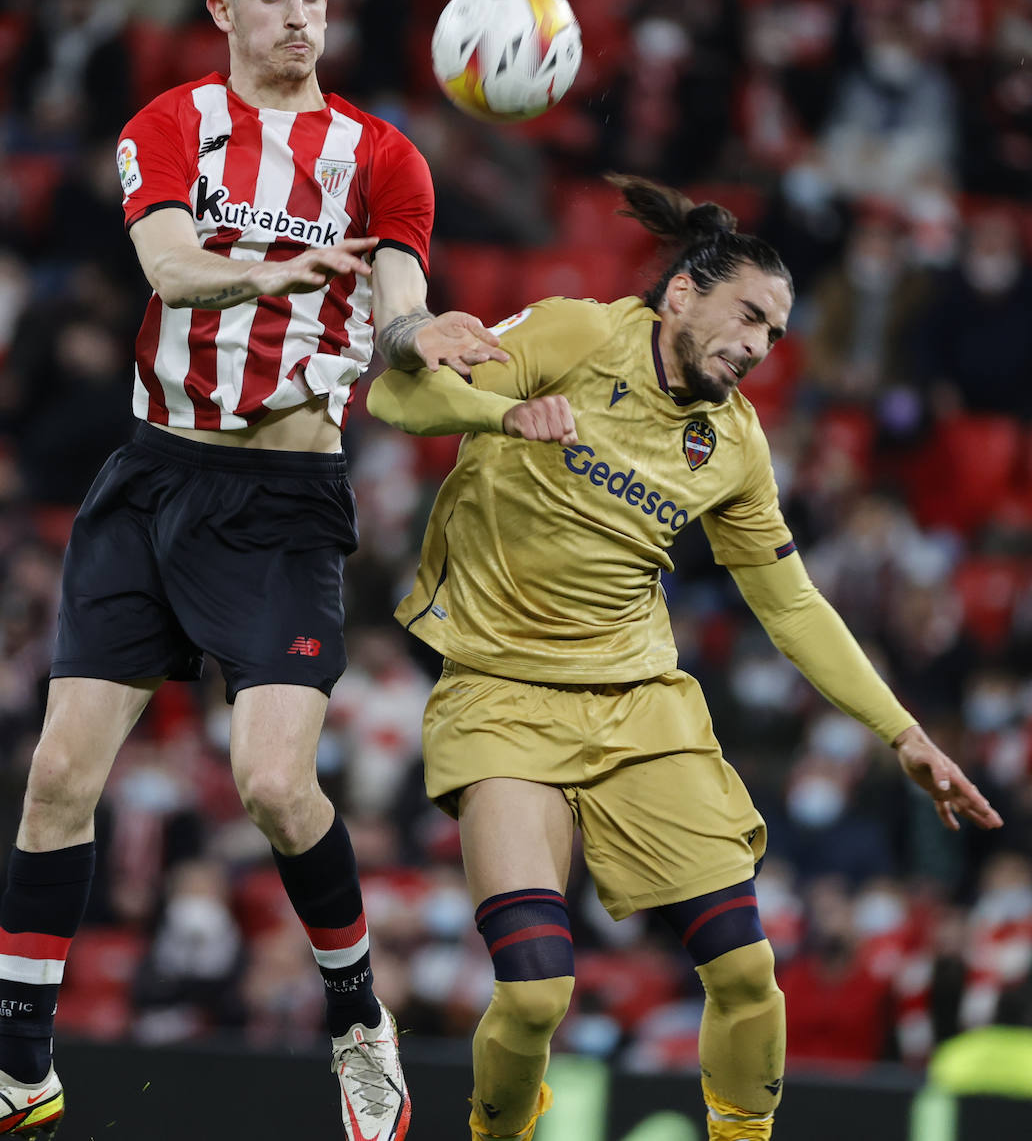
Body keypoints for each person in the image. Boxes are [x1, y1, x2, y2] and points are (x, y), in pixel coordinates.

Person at [0, 0, 507, 1141]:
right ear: (225, 9)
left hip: (283, 500)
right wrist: (271, 274)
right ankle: (21, 1063)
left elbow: (393, 314)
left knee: (276, 786)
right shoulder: (168, 124)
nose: (300, 14)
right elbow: (169, 270)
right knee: (59, 775)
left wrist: (425, 341)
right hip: (153, 477)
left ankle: (357, 1023)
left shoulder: (384, 156)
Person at [365, 175, 1002, 1141]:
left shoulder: (736, 445)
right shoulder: (578, 335)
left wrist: (903, 733)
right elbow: (396, 397)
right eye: (747, 315)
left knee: (749, 978)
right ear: (681, 295)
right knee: (536, 995)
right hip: (499, 697)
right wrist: (500, 414)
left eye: (775, 336)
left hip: (637, 706)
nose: (756, 346)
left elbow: (789, 603)